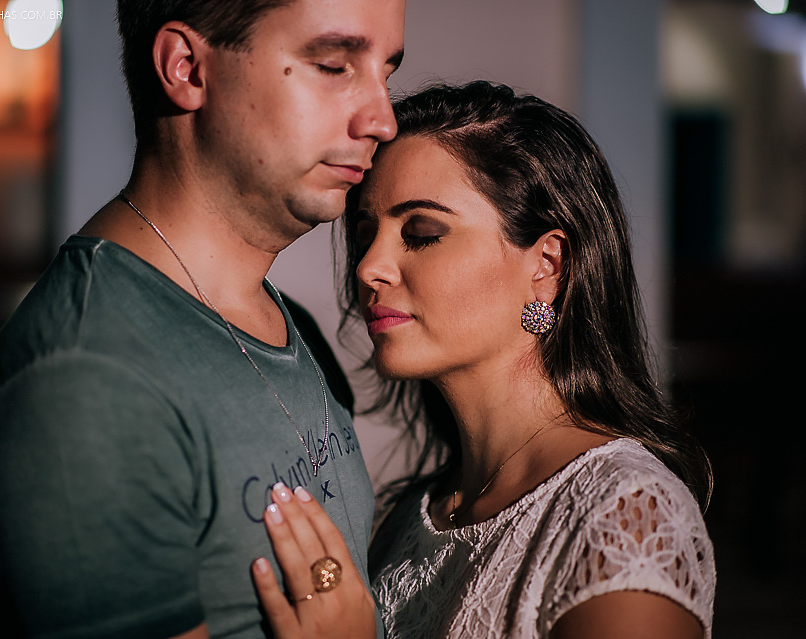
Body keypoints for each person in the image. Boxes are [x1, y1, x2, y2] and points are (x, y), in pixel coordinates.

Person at [0, 1, 405, 637]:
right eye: (333, 65)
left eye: (388, 74)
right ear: (186, 68)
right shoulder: (86, 380)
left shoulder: (285, 325)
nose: (382, 119)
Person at [252, 81, 716, 639]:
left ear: (545, 264)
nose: (369, 266)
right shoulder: (410, 517)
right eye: (365, 233)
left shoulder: (626, 514)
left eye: (421, 233)